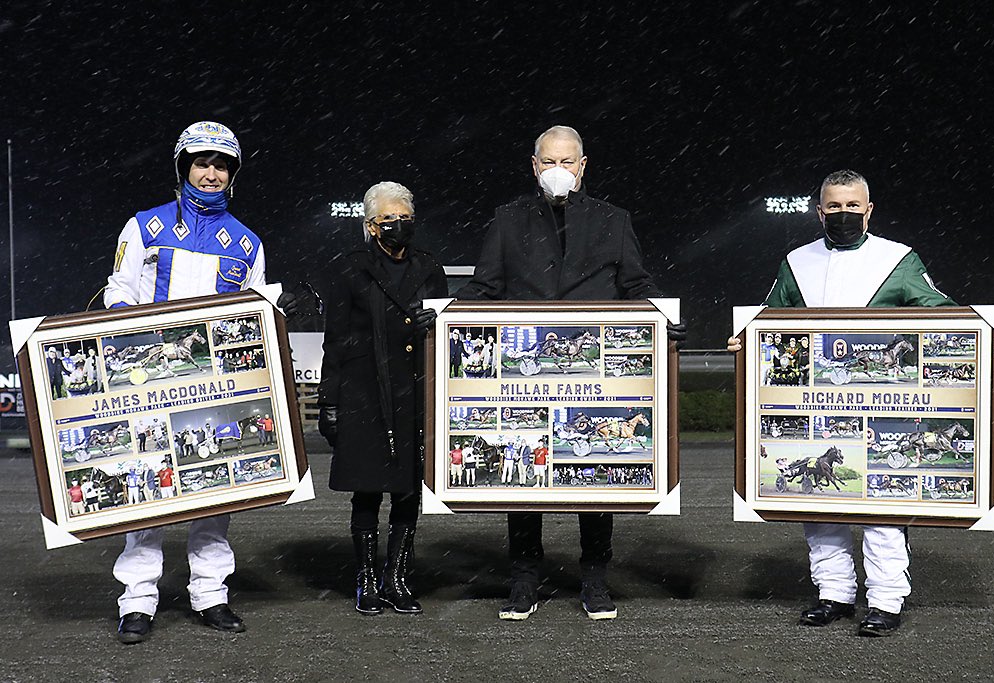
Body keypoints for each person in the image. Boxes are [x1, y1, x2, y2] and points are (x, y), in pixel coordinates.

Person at [727, 169, 994, 637]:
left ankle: (885, 600)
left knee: (883, 507)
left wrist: (989, 339)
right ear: (819, 211)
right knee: (821, 507)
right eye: (834, 207)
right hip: (814, 404)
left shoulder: (897, 258)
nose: (843, 214)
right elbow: (769, 320)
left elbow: (942, 312)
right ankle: (833, 594)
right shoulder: (796, 260)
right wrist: (744, 341)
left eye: (852, 206)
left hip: (881, 406)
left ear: (869, 209)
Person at [456, 125, 687, 621]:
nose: (558, 170)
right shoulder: (507, 219)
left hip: (595, 375)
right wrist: (446, 317)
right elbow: (484, 288)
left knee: (594, 477)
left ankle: (595, 578)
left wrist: (664, 320)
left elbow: (636, 285)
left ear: (582, 167)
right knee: (524, 480)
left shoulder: (614, 220)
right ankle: (523, 580)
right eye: (548, 161)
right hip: (523, 377)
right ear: (534, 166)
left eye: (568, 161)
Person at [103, 121, 295, 644]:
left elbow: (253, 315)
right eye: (201, 163)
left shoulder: (248, 241)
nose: (210, 173)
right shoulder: (144, 225)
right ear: (183, 167)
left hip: (217, 391)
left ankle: (210, 594)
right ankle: (137, 600)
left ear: (232, 175)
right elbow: (118, 290)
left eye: (221, 165)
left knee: (215, 492)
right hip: (147, 385)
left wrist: (275, 313)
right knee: (147, 494)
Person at [317, 181, 446, 615]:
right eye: (389, 220)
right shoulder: (349, 268)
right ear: (371, 225)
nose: (398, 226)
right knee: (367, 493)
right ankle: (367, 580)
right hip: (363, 393)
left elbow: (450, 336)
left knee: (408, 493)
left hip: (415, 392)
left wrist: (435, 324)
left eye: (405, 219)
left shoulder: (429, 267)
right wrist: (329, 403)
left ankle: (397, 578)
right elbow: (334, 341)